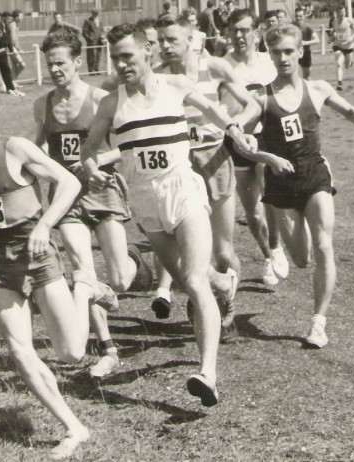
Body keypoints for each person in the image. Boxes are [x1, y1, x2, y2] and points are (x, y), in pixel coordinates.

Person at [0, 81, 119, 459]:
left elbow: (68, 182)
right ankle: (74, 428)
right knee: (20, 351)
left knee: (70, 353)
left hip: (36, 253)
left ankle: (84, 287)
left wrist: (44, 225)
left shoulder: (15, 148)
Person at [81, 23, 258, 406]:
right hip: (145, 201)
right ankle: (225, 285)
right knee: (185, 279)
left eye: (128, 55)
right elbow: (89, 147)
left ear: (148, 51)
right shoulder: (112, 104)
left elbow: (214, 108)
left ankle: (207, 373)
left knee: (193, 281)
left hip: (183, 190)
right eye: (116, 58)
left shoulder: (175, 87)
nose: (122, 64)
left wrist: (235, 129)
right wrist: (92, 167)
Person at [252, 24, 354, 348]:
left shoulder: (318, 88)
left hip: (314, 174)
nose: (283, 58)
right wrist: (266, 157)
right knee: (301, 260)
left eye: (289, 51)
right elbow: (239, 140)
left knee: (325, 245)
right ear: (269, 55)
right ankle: (294, 234)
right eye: (276, 52)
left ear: (300, 51)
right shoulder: (261, 98)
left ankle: (318, 323)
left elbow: (349, 109)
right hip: (281, 184)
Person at [34, 28, 153, 379]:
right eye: (50, 64)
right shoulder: (42, 105)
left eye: (60, 63)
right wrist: (42, 168)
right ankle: (107, 348)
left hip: (102, 188)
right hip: (66, 198)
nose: (55, 70)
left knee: (118, 281)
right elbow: (39, 147)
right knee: (82, 274)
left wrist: (98, 163)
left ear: (76, 62)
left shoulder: (101, 98)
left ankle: (133, 261)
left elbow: (126, 144)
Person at [155, 14, 262, 342]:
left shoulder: (214, 67)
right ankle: (203, 298)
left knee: (223, 250)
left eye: (171, 40)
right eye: (160, 40)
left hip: (214, 160)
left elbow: (252, 105)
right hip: (176, 167)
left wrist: (236, 128)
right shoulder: (157, 77)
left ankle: (227, 301)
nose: (164, 46)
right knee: (183, 245)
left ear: (190, 40)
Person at [100, 18, 176, 320]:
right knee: (165, 234)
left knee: (183, 236)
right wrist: (111, 159)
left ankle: (165, 290)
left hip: (183, 165)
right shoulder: (112, 88)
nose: (158, 50)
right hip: (140, 176)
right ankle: (164, 285)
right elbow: (99, 135)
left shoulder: (171, 82)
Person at [222, 8, 289, 286]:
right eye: (235, 30)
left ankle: (276, 245)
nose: (240, 36)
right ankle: (267, 255)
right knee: (252, 209)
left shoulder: (268, 62)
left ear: (256, 32)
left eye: (245, 30)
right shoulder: (222, 65)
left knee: (268, 190)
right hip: (236, 141)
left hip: (266, 137)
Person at [330, 7, 354, 91]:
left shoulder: (349, 21)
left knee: (347, 66)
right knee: (339, 64)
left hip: (348, 46)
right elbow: (333, 31)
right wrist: (331, 37)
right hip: (337, 45)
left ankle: (350, 61)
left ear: (345, 12)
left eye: (343, 12)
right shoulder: (334, 21)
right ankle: (340, 83)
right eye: (340, 12)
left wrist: (351, 38)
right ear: (337, 13)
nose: (342, 14)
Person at [293, 7, 320, 79]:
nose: (298, 18)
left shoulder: (307, 27)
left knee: (307, 76)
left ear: (304, 16)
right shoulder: (291, 26)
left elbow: (317, 40)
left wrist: (305, 43)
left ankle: (307, 89)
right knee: (293, 75)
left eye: (300, 16)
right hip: (294, 53)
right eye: (296, 16)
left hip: (305, 53)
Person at [83, 9, 104, 75]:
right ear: (92, 13)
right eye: (95, 13)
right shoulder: (88, 21)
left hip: (99, 41)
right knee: (92, 56)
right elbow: (84, 32)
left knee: (98, 55)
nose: (96, 14)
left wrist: (102, 36)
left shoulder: (100, 21)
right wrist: (89, 39)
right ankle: (91, 71)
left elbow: (101, 30)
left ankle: (96, 69)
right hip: (91, 42)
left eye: (97, 13)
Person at [7, 10, 26, 83]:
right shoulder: (13, 25)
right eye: (21, 16)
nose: (22, 17)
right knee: (22, 64)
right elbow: (13, 39)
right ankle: (10, 80)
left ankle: (13, 82)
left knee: (14, 66)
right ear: (16, 17)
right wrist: (18, 49)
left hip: (12, 48)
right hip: (12, 48)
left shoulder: (14, 25)